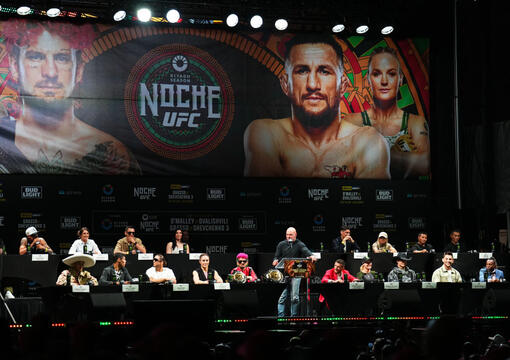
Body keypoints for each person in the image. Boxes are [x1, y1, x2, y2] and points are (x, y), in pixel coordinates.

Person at [0, 19, 141, 174]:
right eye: (35, 57)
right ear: (14, 67)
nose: (50, 73)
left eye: (62, 58)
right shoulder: (3, 138)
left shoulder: (110, 151)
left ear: (79, 70)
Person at [243, 34, 390, 179]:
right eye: (302, 71)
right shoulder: (267, 133)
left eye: (324, 71)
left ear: (343, 85)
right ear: (285, 84)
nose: (312, 85)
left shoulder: (367, 142)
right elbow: (264, 197)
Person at [344, 47, 430, 179]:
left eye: (391, 74)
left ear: (400, 79)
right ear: (368, 80)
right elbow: (342, 162)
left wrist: (370, 153)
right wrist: (403, 158)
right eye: (377, 74)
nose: (384, 81)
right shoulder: (352, 121)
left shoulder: (415, 122)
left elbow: (425, 164)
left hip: (404, 197)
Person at [272, 227, 316, 317]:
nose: (289, 237)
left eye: (291, 235)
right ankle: (281, 318)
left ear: (295, 234)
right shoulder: (281, 244)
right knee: (281, 298)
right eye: (287, 235)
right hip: (284, 274)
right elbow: (276, 256)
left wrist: (311, 255)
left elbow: (306, 251)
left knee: (294, 298)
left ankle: (294, 318)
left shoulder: (299, 244)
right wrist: (275, 260)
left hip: (296, 273)